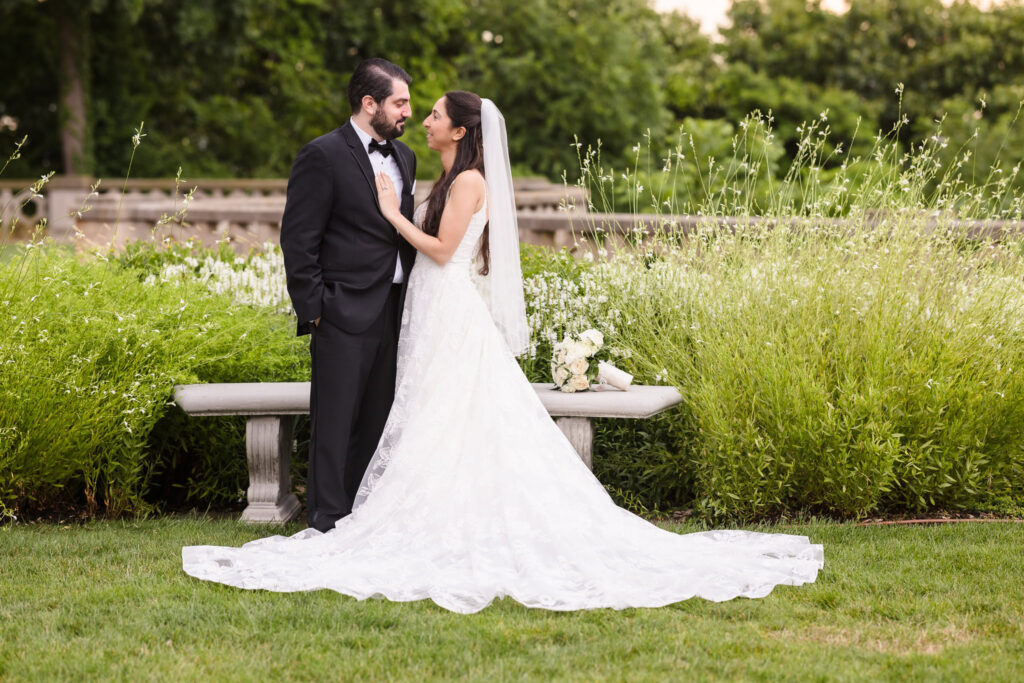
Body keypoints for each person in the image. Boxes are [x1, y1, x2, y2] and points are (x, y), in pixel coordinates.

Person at [183, 91, 824, 613]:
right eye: (416, 108)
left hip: (447, 309)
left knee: (448, 411)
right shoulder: (441, 172)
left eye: (432, 113)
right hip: (422, 309)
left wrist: (390, 212)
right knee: (432, 414)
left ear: (460, 131)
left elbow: (436, 251)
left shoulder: (467, 183)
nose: (423, 120)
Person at [278, 58, 417, 533]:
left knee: (377, 422)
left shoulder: (406, 158)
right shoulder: (322, 154)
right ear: (369, 103)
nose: (408, 112)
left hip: (394, 311)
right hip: (340, 311)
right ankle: (327, 519)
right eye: (400, 103)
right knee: (334, 425)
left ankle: (363, 518)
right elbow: (298, 240)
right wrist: (315, 311)